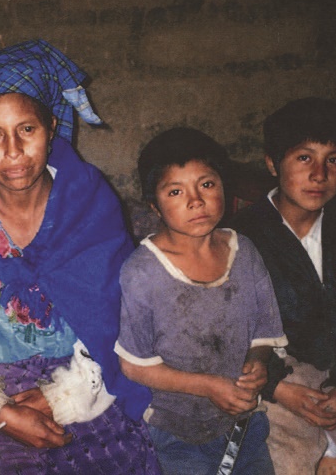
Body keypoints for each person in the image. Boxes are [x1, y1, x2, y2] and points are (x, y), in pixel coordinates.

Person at [0, 40, 159, 474]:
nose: (13, 151)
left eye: (27, 129)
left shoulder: (87, 201)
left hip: (78, 371)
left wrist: (61, 398)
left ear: (52, 127)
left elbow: (116, 316)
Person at [115, 127, 288, 475]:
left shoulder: (245, 252)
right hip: (175, 430)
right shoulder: (143, 273)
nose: (196, 200)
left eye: (207, 184)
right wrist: (208, 386)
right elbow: (134, 364)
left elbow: (264, 330)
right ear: (155, 205)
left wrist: (257, 362)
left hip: (243, 422)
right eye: (176, 191)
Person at [230, 98, 336, 475]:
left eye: (333, 159)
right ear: (272, 163)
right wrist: (277, 388)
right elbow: (221, 335)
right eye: (304, 158)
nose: (320, 174)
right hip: (272, 386)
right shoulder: (240, 238)